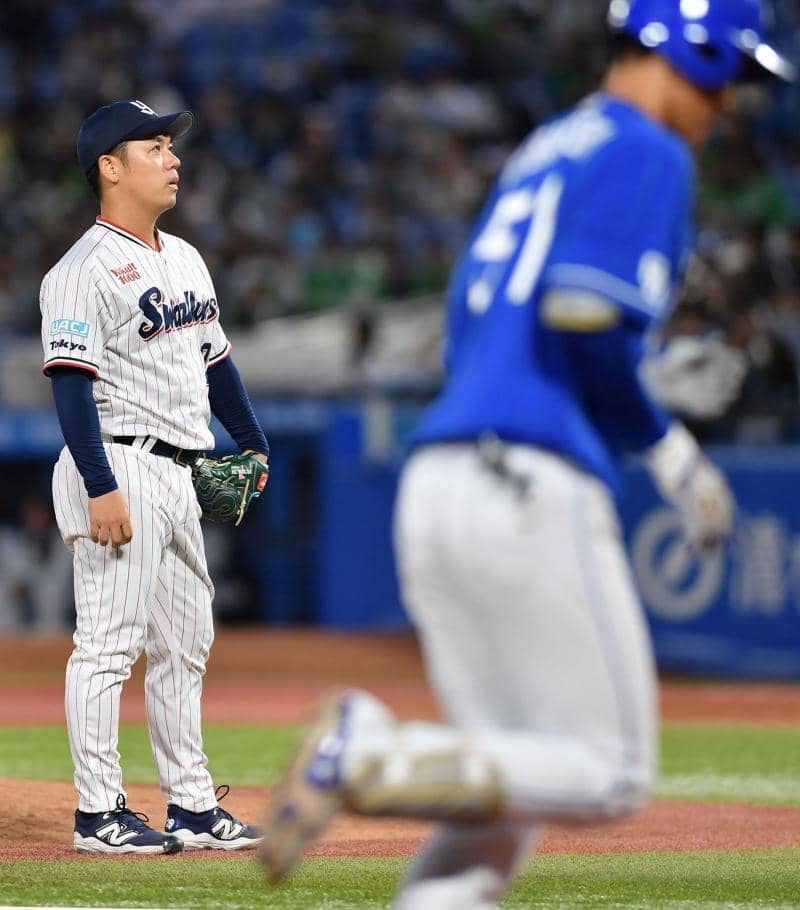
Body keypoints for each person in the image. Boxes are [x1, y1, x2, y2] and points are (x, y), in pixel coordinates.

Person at [260, 1, 795, 905]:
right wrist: (665, 445)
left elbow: (482, 333)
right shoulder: (646, 148)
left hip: (441, 475)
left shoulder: (546, 149)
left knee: (501, 806)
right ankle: (373, 750)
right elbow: (581, 313)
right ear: (689, 52)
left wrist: (642, 371)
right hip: (526, 481)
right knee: (610, 771)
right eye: (730, 76)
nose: (729, 103)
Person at [40, 99, 269, 855]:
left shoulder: (186, 258)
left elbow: (218, 361)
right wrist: (100, 484)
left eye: (172, 146)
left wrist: (252, 442)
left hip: (180, 468)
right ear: (110, 168)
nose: (173, 159)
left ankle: (192, 806)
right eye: (155, 146)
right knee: (108, 644)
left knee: (185, 643)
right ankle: (98, 811)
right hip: (118, 459)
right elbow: (71, 386)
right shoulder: (79, 271)